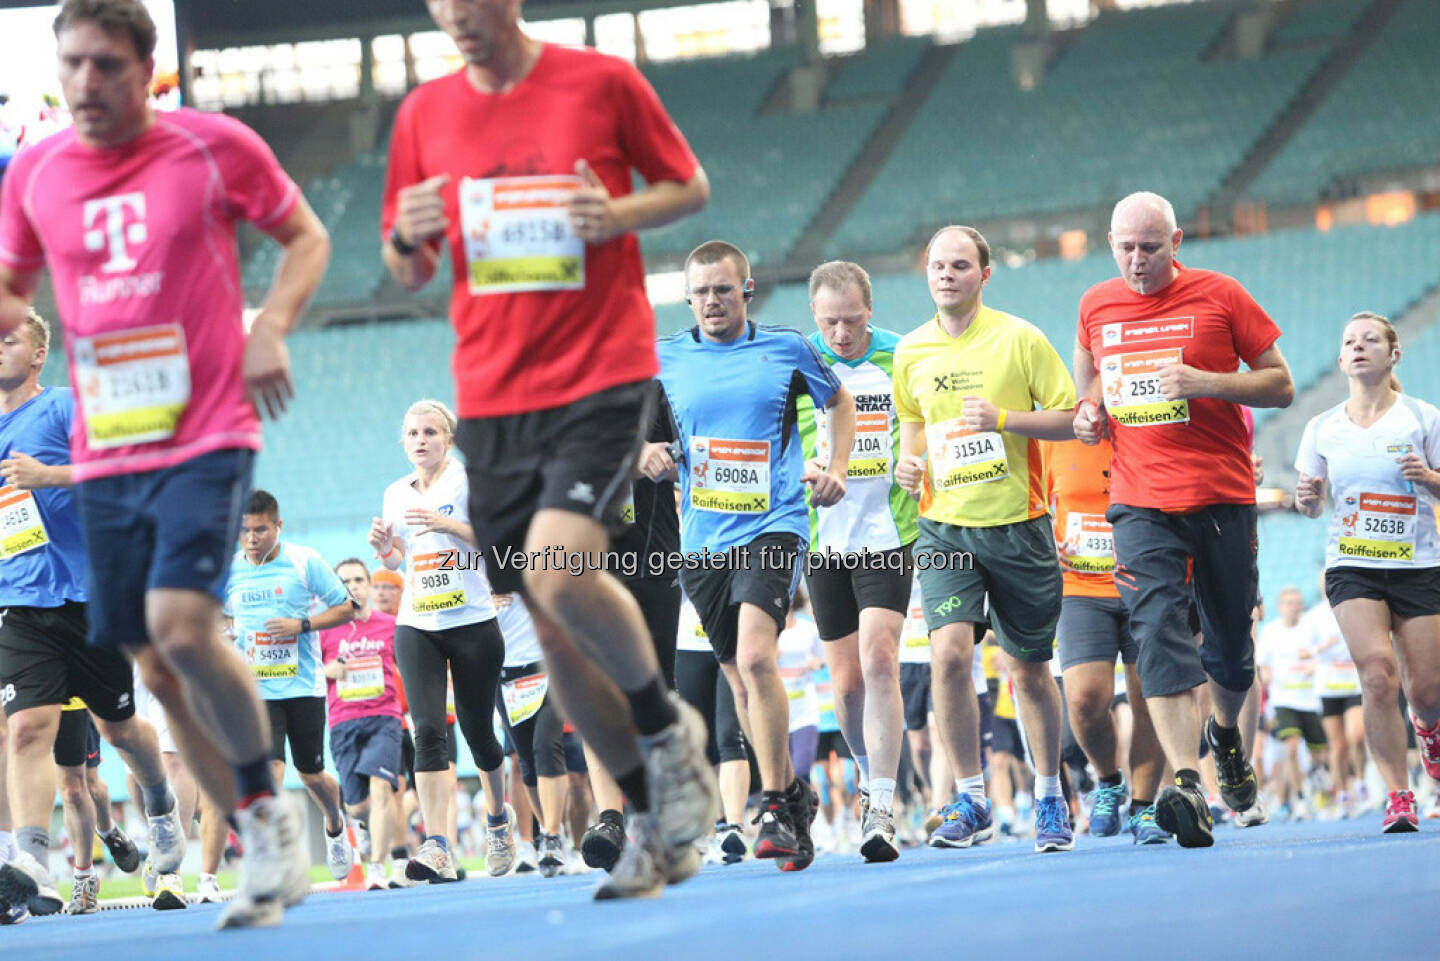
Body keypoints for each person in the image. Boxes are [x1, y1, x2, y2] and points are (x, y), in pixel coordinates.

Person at [0, 0, 330, 929]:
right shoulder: (36, 170)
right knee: (150, 651)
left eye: (106, 64)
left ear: (147, 64)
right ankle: (257, 815)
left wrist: (270, 326)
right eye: (70, 65)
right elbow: (9, 287)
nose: (86, 83)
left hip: (205, 428)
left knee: (181, 626)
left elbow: (307, 239)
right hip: (107, 453)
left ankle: (268, 815)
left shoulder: (212, 145)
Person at [379, 0, 716, 902]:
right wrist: (409, 236)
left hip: (600, 378)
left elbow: (689, 187)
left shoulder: (599, 82)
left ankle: (666, 724)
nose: (454, 13)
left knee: (560, 570)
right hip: (492, 400)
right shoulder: (423, 114)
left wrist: (613, 214)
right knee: (557, 639)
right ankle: (652, 816)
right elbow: (409, 266)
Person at [1073, 191, 1295, 847]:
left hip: (1221, 494)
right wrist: (1088, 415)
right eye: (1125, 248)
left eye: (1149, 247)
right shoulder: (1095, 305)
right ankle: (1189, 782)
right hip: (1140, 500)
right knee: (1156, 630)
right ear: (1110, 244)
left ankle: (1224, 736)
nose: (1136, 261)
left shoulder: (1222, 294)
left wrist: (1207, 382)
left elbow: (1279, 382)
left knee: (1229, 650)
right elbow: (1090, 391)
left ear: (1176, 244)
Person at [648, 240, 854, 871]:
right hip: (702, 540)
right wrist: (641, 455)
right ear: (688, 298)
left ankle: (771, 805)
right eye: (701, 291)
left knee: (758, 656)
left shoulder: (787, 348)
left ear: (747, 289)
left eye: (723, 288)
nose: (712, 300)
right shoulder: (665, 358)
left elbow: (839, 402)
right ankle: (794, 798)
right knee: (739, 675)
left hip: (775, 524)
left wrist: (837, 467)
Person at [893, 225, 1078, 854]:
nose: (947, 275)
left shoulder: (1019, 338)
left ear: (984, 274)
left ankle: (1051, 795)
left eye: (961, 265)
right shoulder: (911, 351)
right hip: (943, 526)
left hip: (1019, 527)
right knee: (946, 654)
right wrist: (906, 463)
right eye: (938, 265)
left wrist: (1003, 420)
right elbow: (912, 428)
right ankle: (971, 798)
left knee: (1027, 671)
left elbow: (1071, 420)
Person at [0, 308, 185, 916]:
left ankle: (159, 802)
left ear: (37, 353)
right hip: (21, 601)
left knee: (120, 730)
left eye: (10, 338)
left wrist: (45, 474)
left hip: (89, 595)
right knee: (26, 727)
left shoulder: (62, 408)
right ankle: (30, 859)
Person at [1294, 310, 1440, 833]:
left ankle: (1428, 729)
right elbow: (1310, 505)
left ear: (1392, 354)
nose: (1359, 347)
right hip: (1352, 564)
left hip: (1418, 564)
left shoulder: (1423, 417)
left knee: (1426, 691)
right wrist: (1306, 498)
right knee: (1378, 675)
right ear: (1340, 359)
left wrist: (1428, 477)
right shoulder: (1322, 428)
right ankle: (1398, 796)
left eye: (1370, 340)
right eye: (1350, 340)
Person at [797, 261, 915, 862]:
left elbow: (926, 426)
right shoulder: (795, 364)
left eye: (851, 321)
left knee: (878, 659)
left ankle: (883, 806)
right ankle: (870, 773)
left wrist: (915, 461)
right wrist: (808, 470)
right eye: (828, 323)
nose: (840, 334)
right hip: (823, 541)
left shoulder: (903, 355)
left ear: (870, 310)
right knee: (844, 686)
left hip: (888, 532)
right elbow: (772, 449)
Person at [369, 399, 515, 882]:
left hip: (473, 622)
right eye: (412, 434)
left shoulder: (470, 483)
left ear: (448, 439)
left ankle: (498, 821)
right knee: (428, 731)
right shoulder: (394, 492)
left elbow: (502, 545)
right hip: (418, 625)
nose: (420, 441)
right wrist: (384, 549)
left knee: (478, 736)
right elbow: (396, 563)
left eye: (430, 432)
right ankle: (437, 846)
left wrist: (449, 524)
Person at [1040, 436, 1168, 843]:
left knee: (1148, 697)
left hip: (1144, 585)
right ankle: (1109, 780)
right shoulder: (1053, 439)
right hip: (1080, 589)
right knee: (1083, 698)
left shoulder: (1143, 431)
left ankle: (1145, 807)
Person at [225, 490, 357, 879]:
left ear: (278, 526)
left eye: (261, 530)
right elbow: (217, 617)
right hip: (256, 690)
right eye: (245, 531)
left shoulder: (304, 561)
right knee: (271, 771)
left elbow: (348, 607)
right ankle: (274, 856)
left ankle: (335, 822)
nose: (252, 538)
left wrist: (301, 625)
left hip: (303, 686)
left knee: (312, 775)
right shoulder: (229, 570)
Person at [320, 559, 404, 890]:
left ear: (368, 585)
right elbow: (308, 672)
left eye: (358, 579)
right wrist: (329, 671)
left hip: (384, 717)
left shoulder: (390, 625)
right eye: (345, 581)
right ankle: (365, 828)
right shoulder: (324, 630)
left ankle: (378, 868)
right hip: (343, 721)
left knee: (383, 787)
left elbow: (412, 664)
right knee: (357, 804)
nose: (353, 586)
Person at [1255, 586, 1325, 819]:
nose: (1294, 607)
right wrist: (1266, 676)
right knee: (1291, 747)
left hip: (1311, 699)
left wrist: (1313, 666)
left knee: (1319, 755)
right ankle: (1300, 798)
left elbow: (1323, 654)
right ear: (1280, 606)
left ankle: (1319, 785)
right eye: (1289, 603)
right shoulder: (1271, 632)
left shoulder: (1311, 628)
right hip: (1284, 700)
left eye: (1297, 602)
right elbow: (1263, 664)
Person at [1305, 583, 1367, 816]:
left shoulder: (1353, 606)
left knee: (1357, 735)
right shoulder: (1313, 616)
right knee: (1337, 745)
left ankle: (1360, 780)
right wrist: (1323, 647)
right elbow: (1304, 651)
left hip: (1352, 680)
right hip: (1328, 684)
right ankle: (1341, 793)